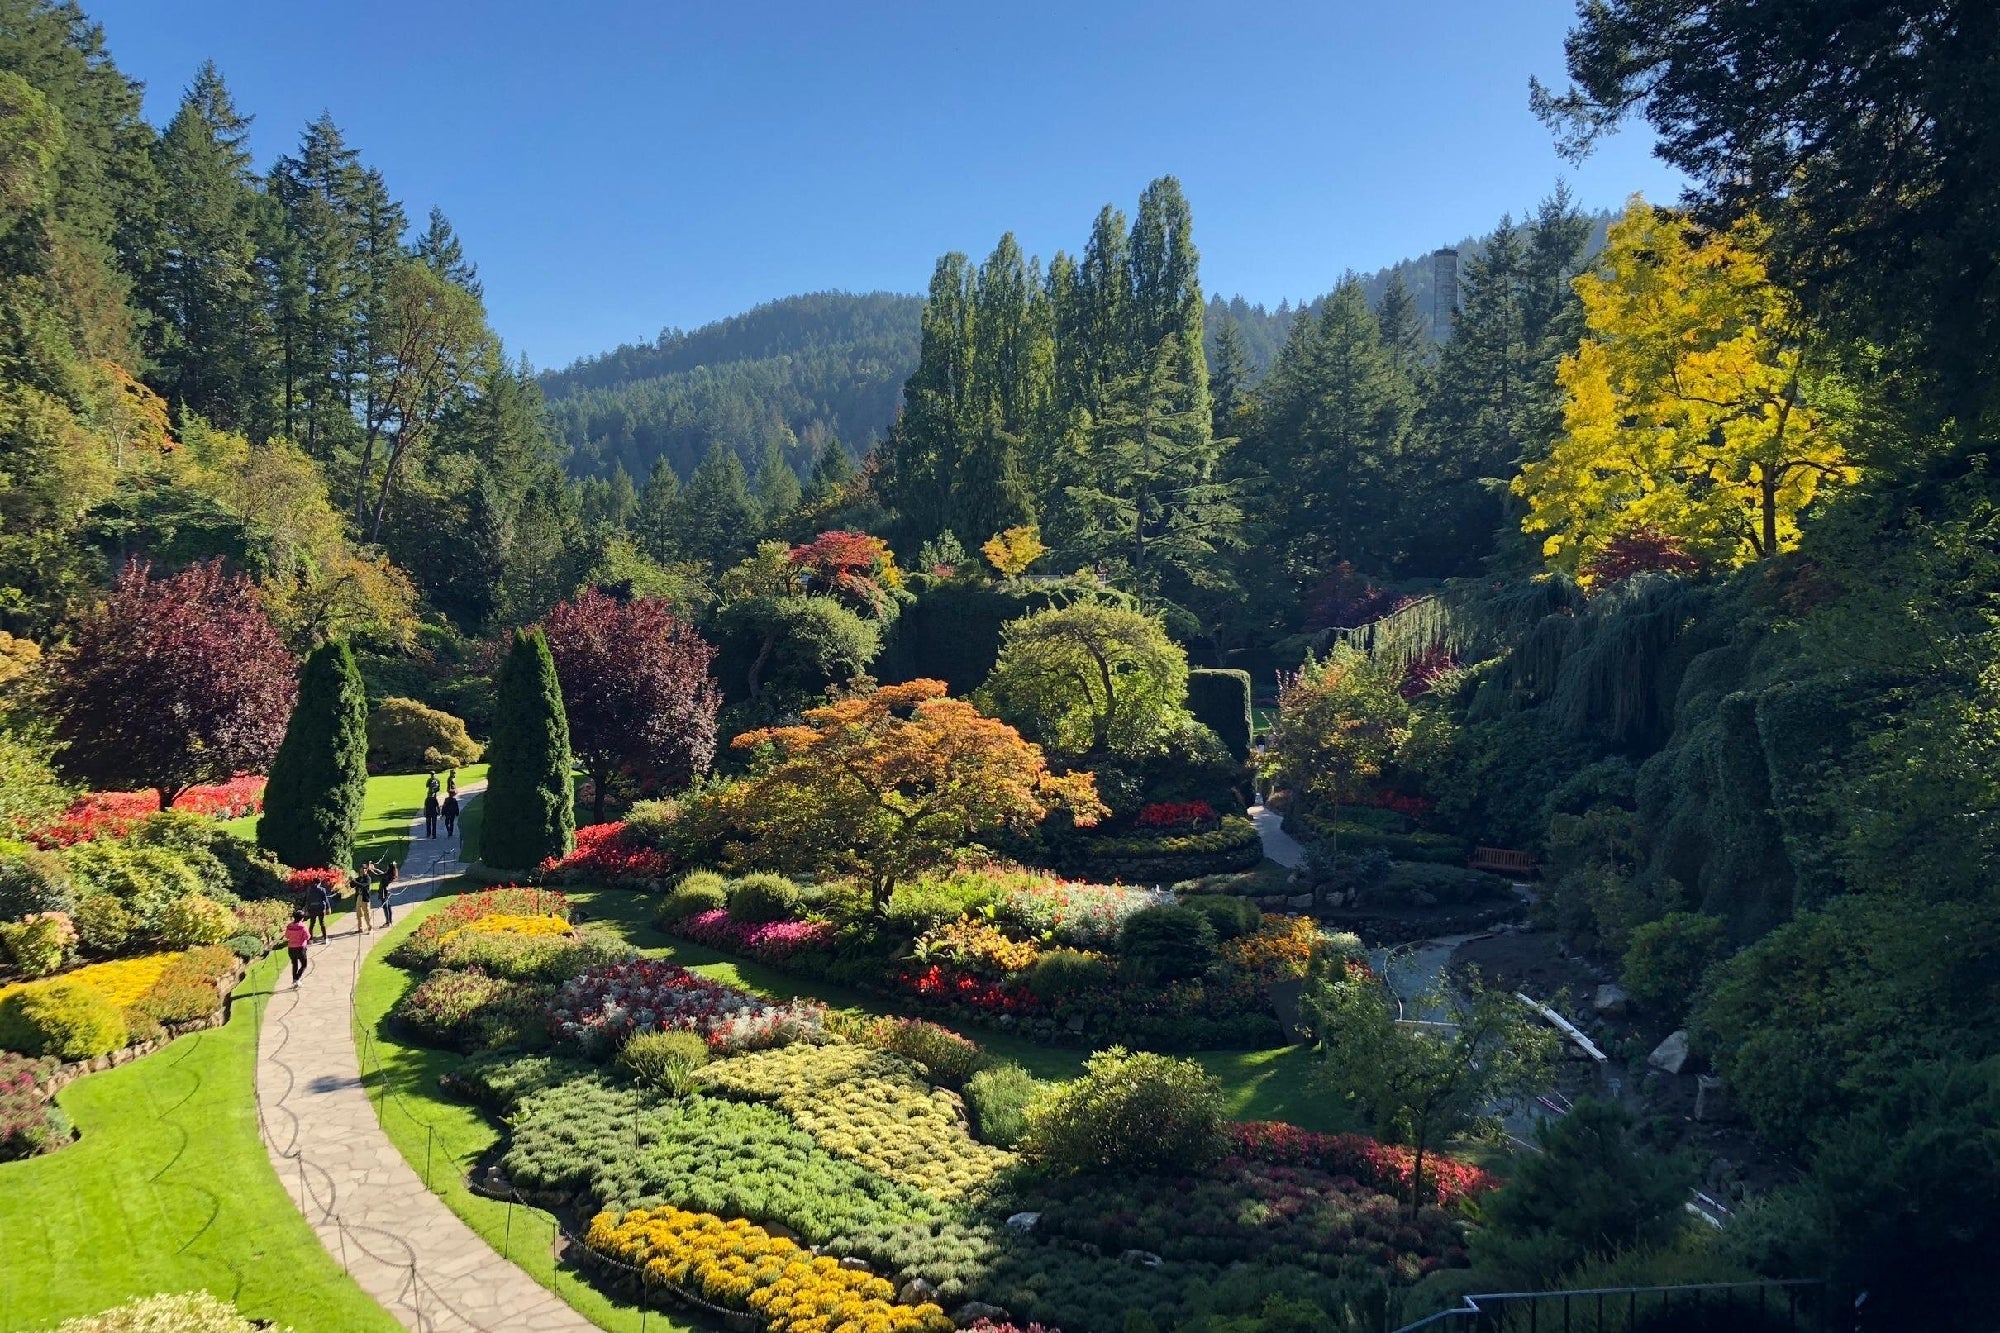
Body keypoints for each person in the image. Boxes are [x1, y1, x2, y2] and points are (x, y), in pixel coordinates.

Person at [284, 910, 311, 989]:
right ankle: (297, 978)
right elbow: (307, 937)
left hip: (291, 948)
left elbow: (287, 936)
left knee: (294, 964)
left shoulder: (289, 926)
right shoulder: (302, 926)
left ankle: (294, 980)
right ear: (302, 918)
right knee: (304, 965)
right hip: (300, 948)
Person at [305, 876, 333, 942]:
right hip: (320, 908)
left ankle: (310, 939)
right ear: (319, 883)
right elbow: (325, 899)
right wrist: (328, 908)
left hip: (312, 908)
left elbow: (307, 900)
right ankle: (325, 938)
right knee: (322, 923)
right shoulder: (322, 889)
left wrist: (307, 909)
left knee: (312, 924)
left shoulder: (309, 890)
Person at [352, 862, 376, 934]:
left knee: (367, 914)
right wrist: (352, 881)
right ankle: (360, 928)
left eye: (365, 869)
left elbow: (363, 885)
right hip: (359, 897)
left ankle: (370, 928)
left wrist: (355, 882)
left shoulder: (368, 878)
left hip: (365, 898)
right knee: (358, 914)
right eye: (362, 869)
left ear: (366, 870)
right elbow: (352, 885)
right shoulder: (359, 878)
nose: (363, 871)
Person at [375, 861, 398, 926]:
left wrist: (371, 870)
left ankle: (388, 922)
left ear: (389, 868)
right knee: (388, 906)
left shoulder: (387, 875)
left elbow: (378, 875)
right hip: (386, 891)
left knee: (385, 907)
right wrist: (375, 869)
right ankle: (390, 921)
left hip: (383, 892)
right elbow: (382, 873)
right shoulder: (390, 874)